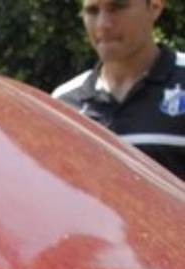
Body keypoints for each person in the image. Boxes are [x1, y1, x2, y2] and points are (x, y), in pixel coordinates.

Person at [54, 0, 185, 182]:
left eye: (117, 7)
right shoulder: (63, 104)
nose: (103, 25)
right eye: (92, 11)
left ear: (155, 7)